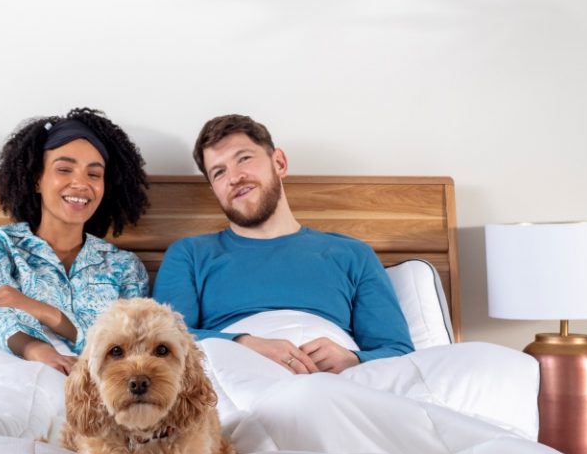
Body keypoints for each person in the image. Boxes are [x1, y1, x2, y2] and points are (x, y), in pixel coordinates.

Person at [154, 114, 413, 374]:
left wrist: (353, 359)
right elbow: (164, 341)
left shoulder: (352, 254)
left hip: (337, 381)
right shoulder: (189, 254)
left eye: (243, 158)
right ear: (214, 190)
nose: (234, 177)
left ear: (279, 162)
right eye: (219, 172)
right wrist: (244, 344)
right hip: (236, 375)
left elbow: (399, 355)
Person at [0, 108, 151, 374]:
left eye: (94, 174)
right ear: (36, 179)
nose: (80, 183)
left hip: (89, 385)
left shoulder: (125, 268)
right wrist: (39, 352)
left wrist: (41, 310)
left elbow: (129, 346)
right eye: (64, 169)